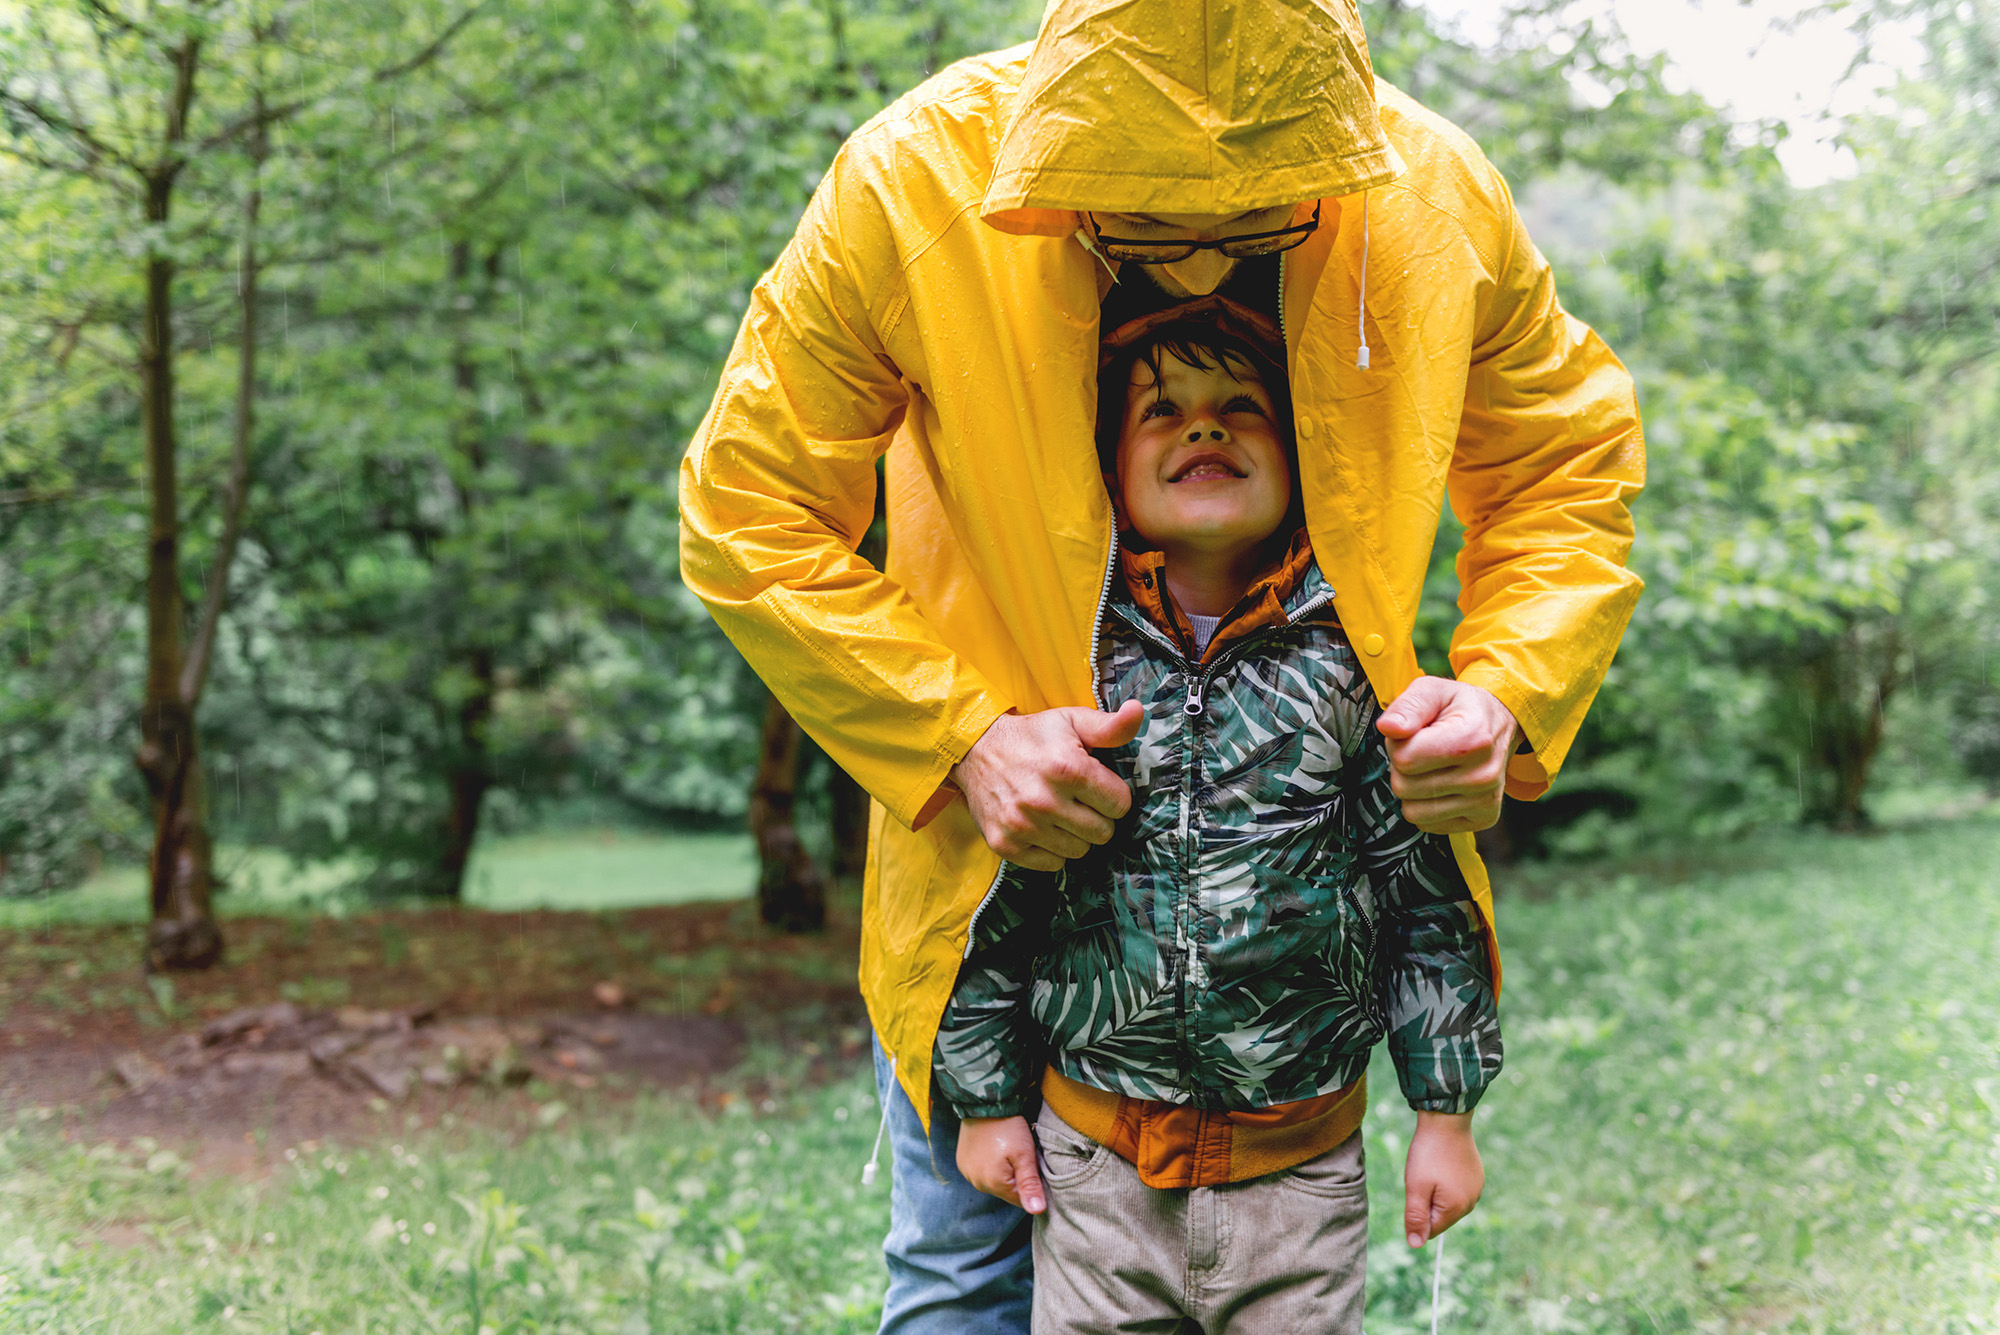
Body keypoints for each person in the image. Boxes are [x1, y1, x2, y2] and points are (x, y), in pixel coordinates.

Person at [678, 2, 1643, 1330]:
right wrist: (963, 736)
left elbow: (1560, 466)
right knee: (964, 1276)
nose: (1194, 266)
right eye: (1137, 226)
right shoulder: (912, 180)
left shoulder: (1430, 195)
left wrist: (1508, 689)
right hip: (988, 886)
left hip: (1275, 1012)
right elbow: (747, 510)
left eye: (1250, 230)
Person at [936, 301, 1500, 1332]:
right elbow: (991, 896)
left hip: (1301, 1178)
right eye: (1163, 412)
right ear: (1107, 470)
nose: (1204, 427)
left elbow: (1424, 900)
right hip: (1093, 1172)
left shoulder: (1352, 664)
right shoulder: (1065, 660)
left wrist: (1444, 1114)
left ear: (1301, 459)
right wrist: (982, 1101)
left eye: (1242, 407)